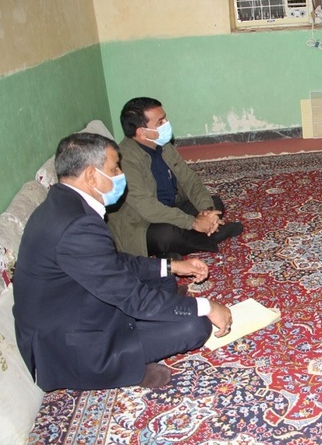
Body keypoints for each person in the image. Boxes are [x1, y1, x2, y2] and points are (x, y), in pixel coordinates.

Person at [13, 132, 233, 391]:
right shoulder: (77, 226)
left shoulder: (65, 203)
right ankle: (125, 368)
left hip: (80, 306)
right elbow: (133, 298)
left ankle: (143, 336)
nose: (120, 174)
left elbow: (112, 261)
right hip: (74, 347)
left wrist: (172, 266)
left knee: (164, 279)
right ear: (91, 175)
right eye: (114, 168)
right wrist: (206, 306)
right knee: (195, 325)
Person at [107, 97, 242, 258]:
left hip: (170, 207)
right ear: (141, 132)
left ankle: (173, 249)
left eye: (165, 118)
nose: (166, 123)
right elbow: (148, 208)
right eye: (160, 122)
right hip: (141, 222)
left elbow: (190, 180)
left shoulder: (163, 146)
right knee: (167, 235)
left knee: (214, 203)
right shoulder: (124, 160)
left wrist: (207, 213)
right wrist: (194, 223)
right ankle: (212, 237)